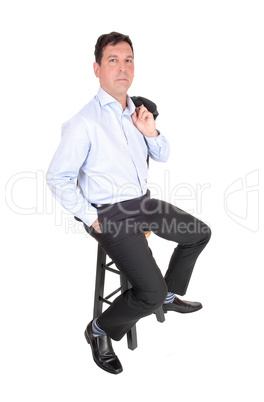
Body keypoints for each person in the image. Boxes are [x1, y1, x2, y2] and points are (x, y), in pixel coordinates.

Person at [46, 32, 211, 375]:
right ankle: (99, 330)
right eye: (113, 60)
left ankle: (168, 293)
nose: (122, 68)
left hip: (142, 204)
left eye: (128, 60)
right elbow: (57, 177)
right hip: (110, 216)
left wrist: (150, 130)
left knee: (198, 233)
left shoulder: (138, 110)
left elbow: (163, 154)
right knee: (147, 294)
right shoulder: (84, 122)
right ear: (97, 68)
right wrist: (91, 218)